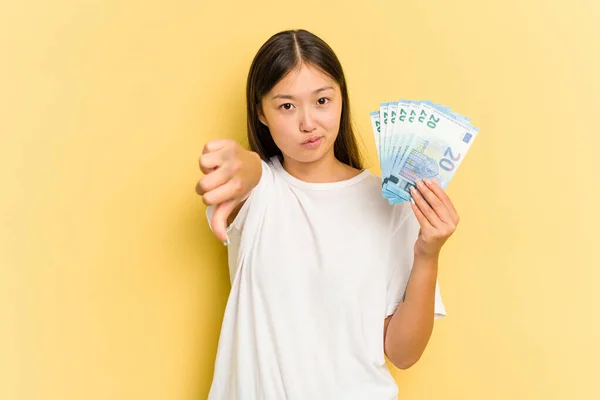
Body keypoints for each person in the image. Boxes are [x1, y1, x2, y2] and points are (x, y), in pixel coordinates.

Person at [195, 29, 459, 400]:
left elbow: (403, 353)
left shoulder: (392, 202)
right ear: (261, 113)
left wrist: (429, 254)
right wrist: (242, 163)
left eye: (322, 100)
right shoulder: (257, 192)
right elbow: (250, 173)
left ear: (341, 100)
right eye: (286, 106)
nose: (308, 122)